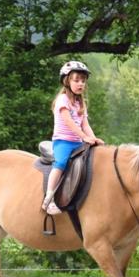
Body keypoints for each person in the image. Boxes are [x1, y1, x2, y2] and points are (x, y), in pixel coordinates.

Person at [42, 61, 104, 215]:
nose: (80, 84)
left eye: (83, 81)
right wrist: (84, 137)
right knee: (61, 163)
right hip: (63, 142)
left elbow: (85, 124)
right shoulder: (63, 100)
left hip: (78, 143)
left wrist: (93, 139)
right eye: (76, 80)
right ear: (66, 81)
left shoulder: (80, 103)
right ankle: (49, 198)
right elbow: (69, 123)